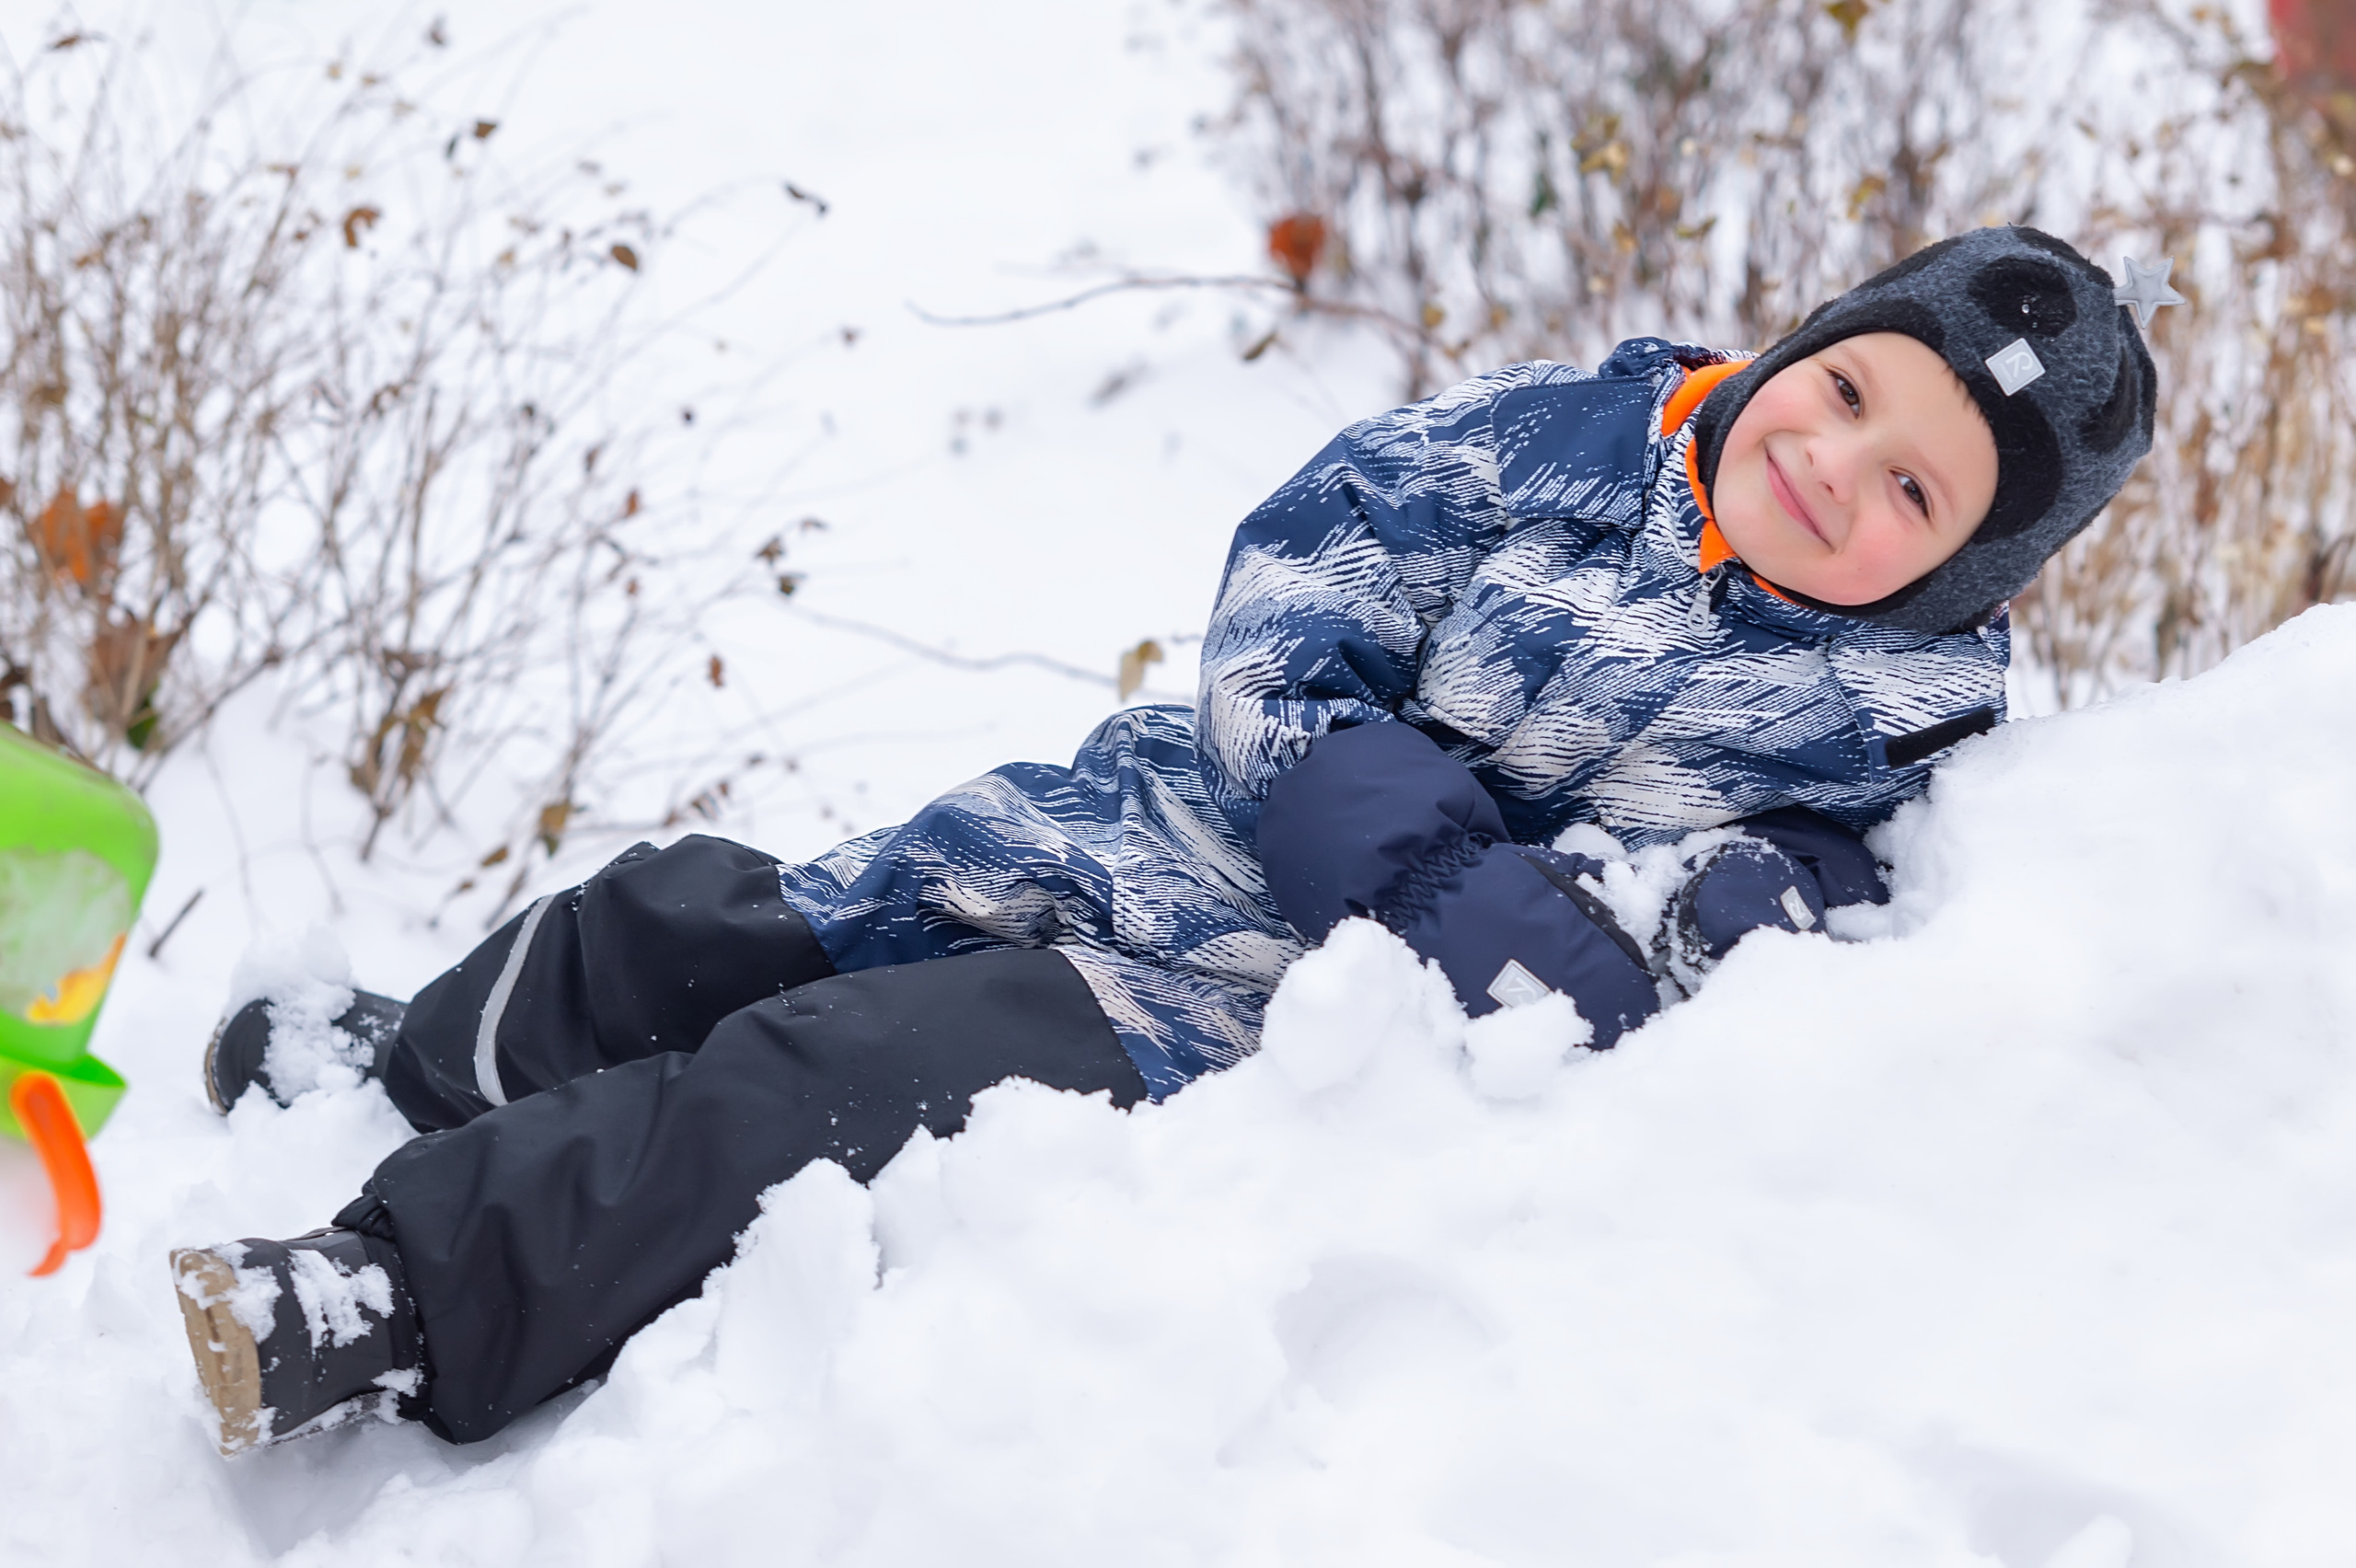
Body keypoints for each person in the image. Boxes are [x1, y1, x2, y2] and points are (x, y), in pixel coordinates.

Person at [169, 225, 2157, 1455]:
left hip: (1215, 1015)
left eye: (1909, 487)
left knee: (812, 1083)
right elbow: (1303, 585)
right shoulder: (1567, 439)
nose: (1821, 467)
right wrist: (1404, 839)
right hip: (1143, 814)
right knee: (707, 923)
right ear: (1800, 342)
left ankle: (396, 1298)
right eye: (1838, 392)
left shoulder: (1871, 738)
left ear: (1958, 569)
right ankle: (421, 1057)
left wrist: (1533, 921)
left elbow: (1722, 939)